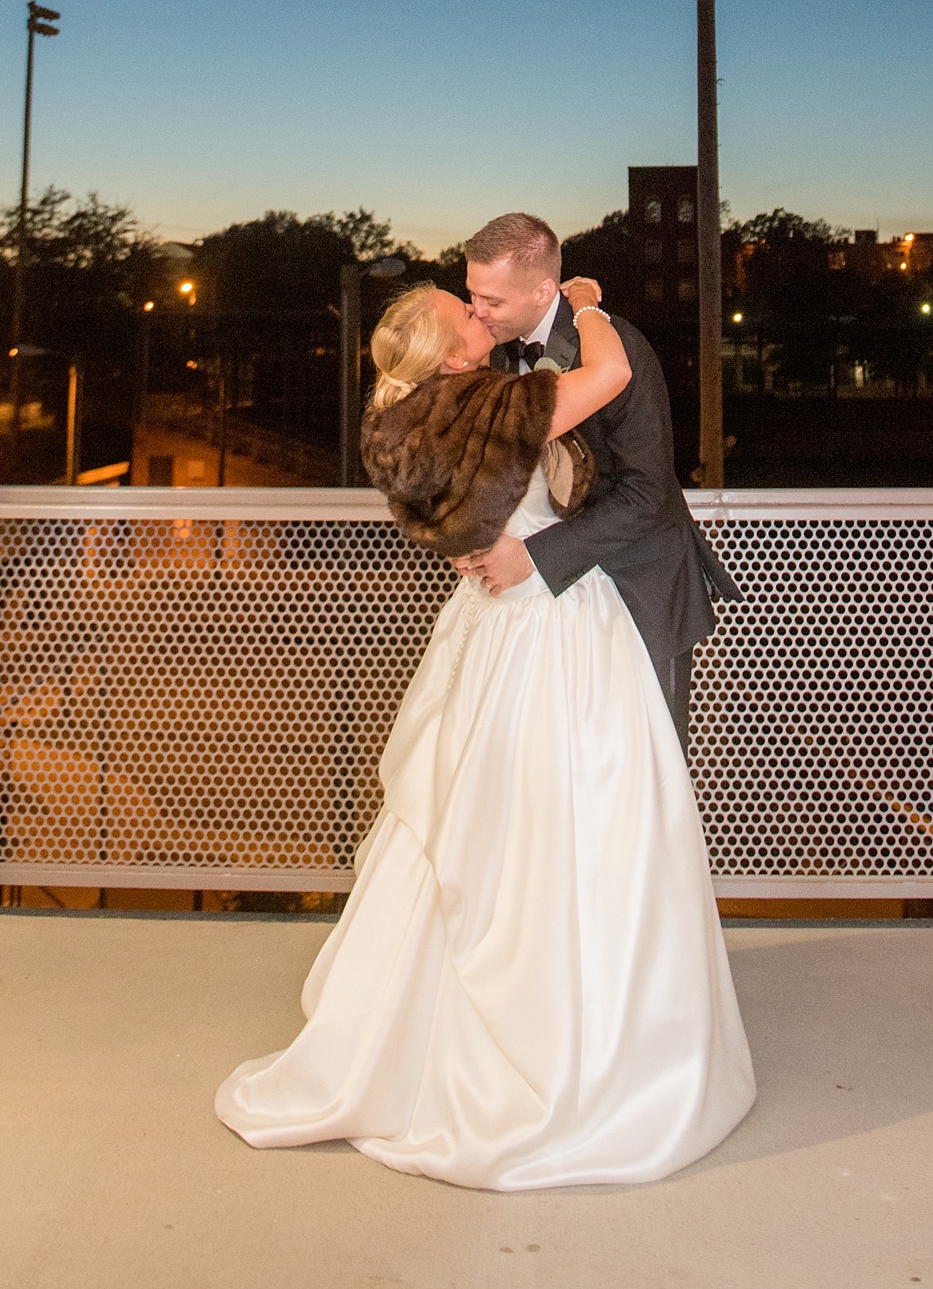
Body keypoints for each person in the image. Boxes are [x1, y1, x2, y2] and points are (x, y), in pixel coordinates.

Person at [213, 263, 754, 1191]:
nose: (476, 312)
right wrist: (587, 305)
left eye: (476, 297)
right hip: (552, 627)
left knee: (484, 821)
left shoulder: (403, 417)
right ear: (449, 350)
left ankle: (426, 1035)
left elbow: (460, 520)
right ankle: (574, 1049)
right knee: (568, 818)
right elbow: (611, 383)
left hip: (489, 619)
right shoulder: (493, 403)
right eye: (460, 310)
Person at [459, 210, 739, 755]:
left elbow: (647, 493)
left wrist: (535, 557)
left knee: (644, 770)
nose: (477, 311)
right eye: (472, 294)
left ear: (544, 290)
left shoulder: (619, 348)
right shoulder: (489, 349)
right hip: (548, 604)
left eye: (492, 300)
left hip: (640, 586)